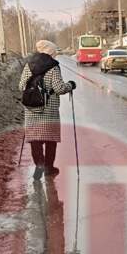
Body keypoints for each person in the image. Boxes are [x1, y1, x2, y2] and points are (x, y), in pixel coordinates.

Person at [19, 40, 76, 180]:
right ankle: (49, 168)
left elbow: (21, 86)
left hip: (31, 108)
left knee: (35, 140)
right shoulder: (53, 66)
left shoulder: (29, 64)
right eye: (54, 52)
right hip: (49, 109)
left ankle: (39, 166)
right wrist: (70, 85)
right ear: (51, 52)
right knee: (50, 140)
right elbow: (59, 88)